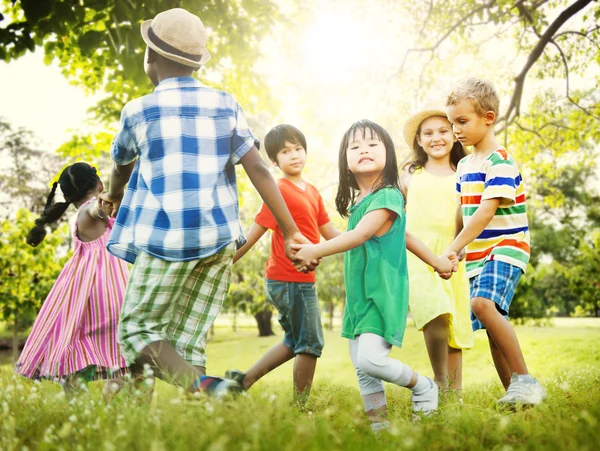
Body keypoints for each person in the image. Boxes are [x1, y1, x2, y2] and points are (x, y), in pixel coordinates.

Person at [98, 8, 312, 397]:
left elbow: (121, 164)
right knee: (187, 336)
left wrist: (112, 195)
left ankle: (209, 389)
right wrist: (292, 230)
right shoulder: (225, 104)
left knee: (136, 330)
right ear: (196, 62)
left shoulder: (138, 111)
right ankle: (201, 417)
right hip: (217, 241)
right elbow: (260, 170)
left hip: (167, 241)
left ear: (151, 58)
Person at [292, 120, 456, 431]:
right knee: (363, 369)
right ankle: (380, 428)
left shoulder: (389, 195)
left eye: (372, 144)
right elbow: (402, 235)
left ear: (389, 155)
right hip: (359, 297)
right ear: (346, 162)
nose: (363, 149)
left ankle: (423, 386)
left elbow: (360, 235)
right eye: (354, 146)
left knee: (370, 360)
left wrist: (315, 251)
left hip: (383, 295)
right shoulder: (360, 204)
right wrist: (435, 260)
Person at [444, 77, 546, 405]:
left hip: (506, 246)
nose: (455, 130)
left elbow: (485, 213)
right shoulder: (463, 165)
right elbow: (464, 211)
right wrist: (457, 248)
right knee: (491, 321)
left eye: (462, 121)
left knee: (482, 305)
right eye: (451, 123)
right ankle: (515, 395)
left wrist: (454, 246)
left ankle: (526, 381)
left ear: (488, 118)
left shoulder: (499, 161)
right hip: (477, 254)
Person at [225, 124, 340, 403]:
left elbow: (331, 234)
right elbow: (253, 234)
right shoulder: (278, 191)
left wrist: (367, 238)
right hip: (288, 279)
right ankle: (301, 409)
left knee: (294, 341)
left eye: (298, 148)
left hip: (301, 280)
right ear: (274, 161)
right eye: (285, 152)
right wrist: (224, 266)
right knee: (310, 344)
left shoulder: (311, 191)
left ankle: (242, 381)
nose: (294, 155)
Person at [16, 162, 128, 398]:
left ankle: (83, 407)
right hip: (108, 291)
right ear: (99, 184)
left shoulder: (87, 211)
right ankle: (107, 410)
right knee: (120, 357)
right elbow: (95, 210)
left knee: (78, 353)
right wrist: (104, 203)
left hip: (88, 293)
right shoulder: (89, 210)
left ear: (66, 196)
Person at [400, 104, 474, 391]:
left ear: (455, 135)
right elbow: (395, 213)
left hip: (454, 253)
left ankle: (452, 393)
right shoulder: (410, 173)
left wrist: (462, 244)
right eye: (428, 133)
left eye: (443, 131)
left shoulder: (465, 172)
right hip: (418, 253)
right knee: (435, 311)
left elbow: (469, 214)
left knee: (452, 322)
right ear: (419, 140)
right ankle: (439, 379)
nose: (436, 137)